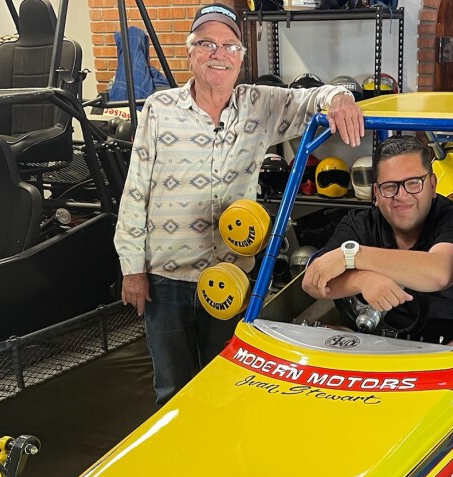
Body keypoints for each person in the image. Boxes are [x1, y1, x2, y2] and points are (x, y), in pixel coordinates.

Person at [114, 3, 364, 405]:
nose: (219, 53)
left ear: (241, 58)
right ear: (190, 52)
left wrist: (339, 97)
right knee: (172, 392)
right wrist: (132, 269)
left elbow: (311, 98)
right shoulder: (158, 111)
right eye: (208, 43)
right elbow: (135, 190)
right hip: (167, 279)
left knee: (226, 387)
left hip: (230, 275)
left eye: (230, 46)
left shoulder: (259, 104)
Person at [302, 135, 453, 344]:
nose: (402, 195)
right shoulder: (358, 223)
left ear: (432, 185)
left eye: (414, 183)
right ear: (376, 194)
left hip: (451, 344)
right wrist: (362, 280)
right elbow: (311, 283)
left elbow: (441, 272)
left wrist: (351, 256)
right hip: (376, 341)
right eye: (390, 186)